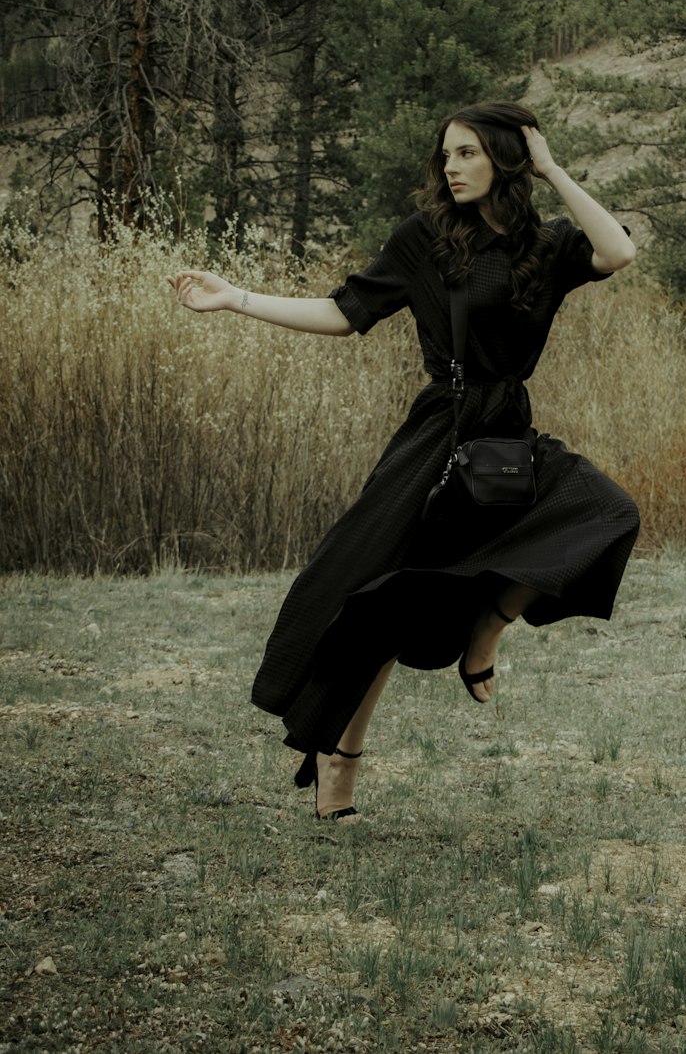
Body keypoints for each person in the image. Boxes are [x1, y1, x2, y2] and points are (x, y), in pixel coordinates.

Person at [169, 101, 640, 822]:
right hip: (439, 437)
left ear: (509, 159)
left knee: (608, 512)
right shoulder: (426, 239)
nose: (451, 168)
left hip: (507, 434)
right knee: (382, 605)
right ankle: (339, 765)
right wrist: (235, 299)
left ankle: (488, 625)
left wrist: (552, 167)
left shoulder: (546, 246)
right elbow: (341, 313)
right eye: (446, 156)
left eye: (469, 154)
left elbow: (619, 252)